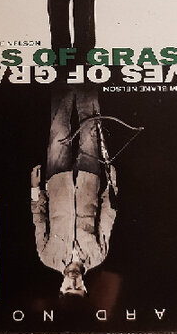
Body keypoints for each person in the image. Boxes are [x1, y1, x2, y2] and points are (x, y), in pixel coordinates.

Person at [30, 85, 117, 296]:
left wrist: (34, 188)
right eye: (78, 288)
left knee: (58, 128)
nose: (74, 282)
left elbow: (38, 218)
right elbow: (107, 215)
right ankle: (87, 83)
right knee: (91, 129)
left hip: (57, 181)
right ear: (85, 288)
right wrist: (112, 185)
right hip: (89, 181)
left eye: (69, 288)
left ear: (61, 288)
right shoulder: (98, 256)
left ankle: (63, 81)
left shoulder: (47, 257)